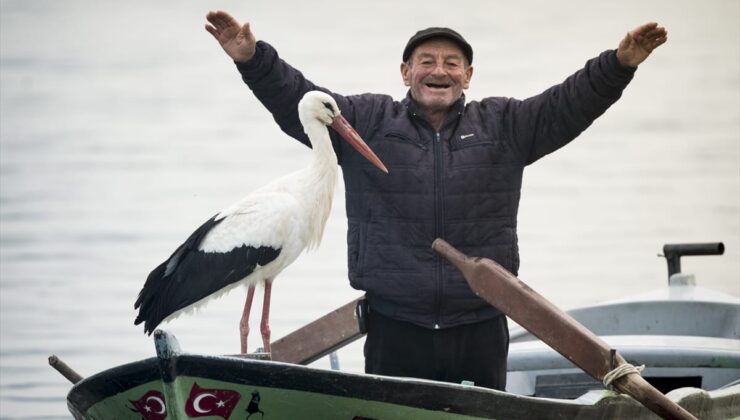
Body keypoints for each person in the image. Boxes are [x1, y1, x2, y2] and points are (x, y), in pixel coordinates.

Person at [205, 11, 667, 390]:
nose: (439, 70)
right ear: (405, 73)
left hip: (481, 323)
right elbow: (298, 100)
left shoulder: (505, 125)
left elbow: (569, 104)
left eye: (452, 62)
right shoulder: (366, 121)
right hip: (395, 326)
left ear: (468, 75)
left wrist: (620, 63)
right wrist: (251, 58)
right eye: (426, 61)